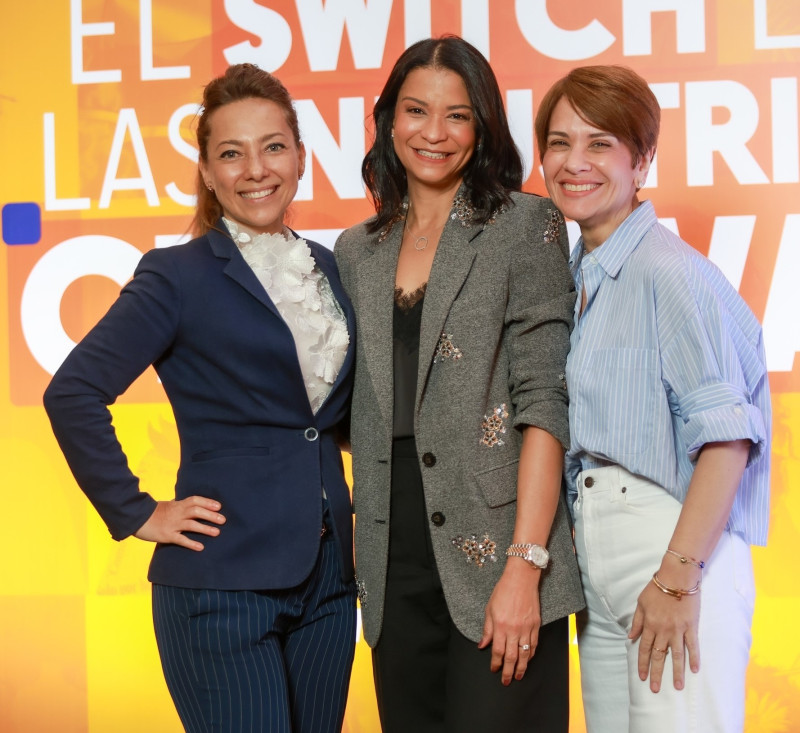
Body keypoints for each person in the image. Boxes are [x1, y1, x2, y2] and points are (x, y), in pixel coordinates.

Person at [43, 63, 357, 733]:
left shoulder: (329, 268)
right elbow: (73, 391)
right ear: (208, 172)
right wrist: (135, 511)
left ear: (300, 156)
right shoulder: (176, 275)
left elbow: (332, 417)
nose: (256, 169)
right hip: (222, 584)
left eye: (273, 146)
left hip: (329, 581)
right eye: (231, 153)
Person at [334, 36, 584, 732]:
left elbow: (544, 402)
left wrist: (525, 567)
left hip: (500, 545)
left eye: (458, 115)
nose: (434, 133)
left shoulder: (524, 225)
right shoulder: (359, 249)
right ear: (389, 120)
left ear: (483, 127)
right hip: (392, 559)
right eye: (416, 111)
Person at [535, 64, 771, 732]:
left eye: (599, 143)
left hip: (671, 548)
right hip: (604, 562)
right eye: (559, 142)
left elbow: (728, 439)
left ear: (641, 161)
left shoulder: (667, 272)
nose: (573, 163)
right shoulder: (582, 274)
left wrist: (677, 578)